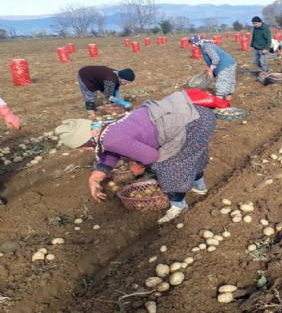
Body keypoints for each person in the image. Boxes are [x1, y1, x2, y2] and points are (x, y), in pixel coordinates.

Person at [54, 89, 228, 224]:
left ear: (85, 142)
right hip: (195, 114)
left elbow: (151, 155)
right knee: (190, 156)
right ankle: (199, 187)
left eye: (79, 148)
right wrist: (96, 175)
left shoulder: (111, 139)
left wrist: (138, 165)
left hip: (192, 121)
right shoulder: (104, 128)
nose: (80, 151)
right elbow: (112, 149)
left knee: (168, 164)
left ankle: (179, 206)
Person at [189, 36, 237, 102]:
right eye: (192, 44)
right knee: (228, 83)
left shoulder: (206, 47)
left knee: (221, 85)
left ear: (198, 42)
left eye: (194, 43)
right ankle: (227, 103)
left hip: (225, 65)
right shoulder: (206, 45)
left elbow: (216, 59)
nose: (193, 46)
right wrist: (210, 70)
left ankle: (219, 106)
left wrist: (211, 70)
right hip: (230, 63)